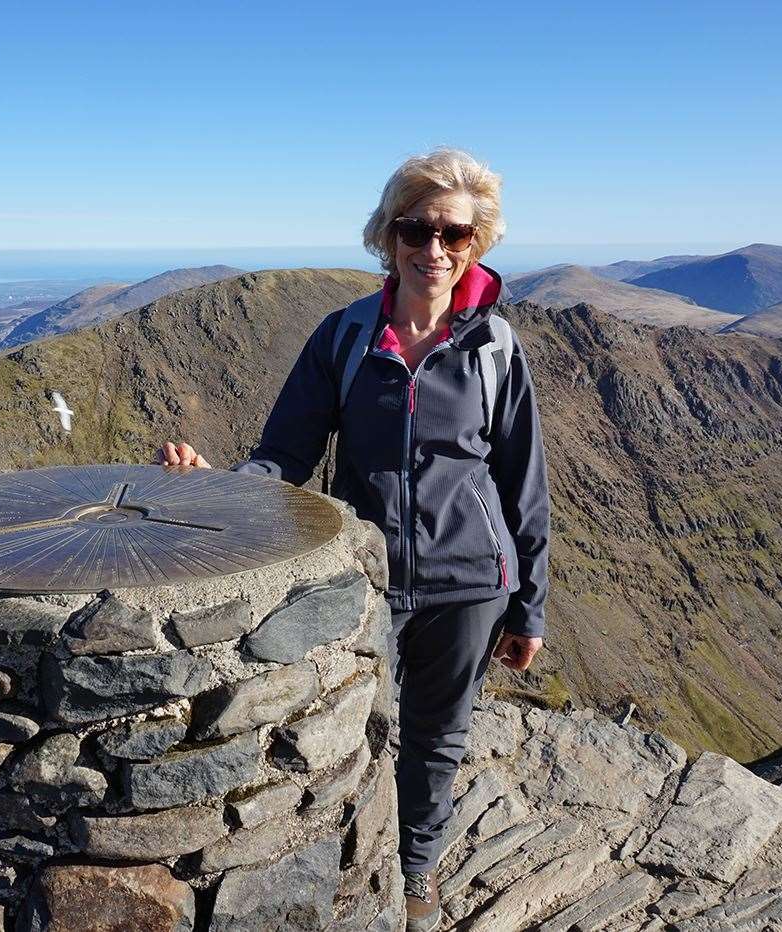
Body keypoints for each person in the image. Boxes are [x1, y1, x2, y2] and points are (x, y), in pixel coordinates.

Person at [156, 148, 549, 931]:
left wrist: (529, 608)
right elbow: (285, 454)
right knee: (357, 730)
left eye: (455, 234)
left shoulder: (496, 347)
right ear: (389, 233)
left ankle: (414, 873)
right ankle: (347, 856)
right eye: (417, 227)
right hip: (366, 577)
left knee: (438, 741)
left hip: (472, 584)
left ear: (478, 243)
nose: (434, 249)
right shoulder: (345, 337)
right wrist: (218, 486)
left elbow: (523, 483)